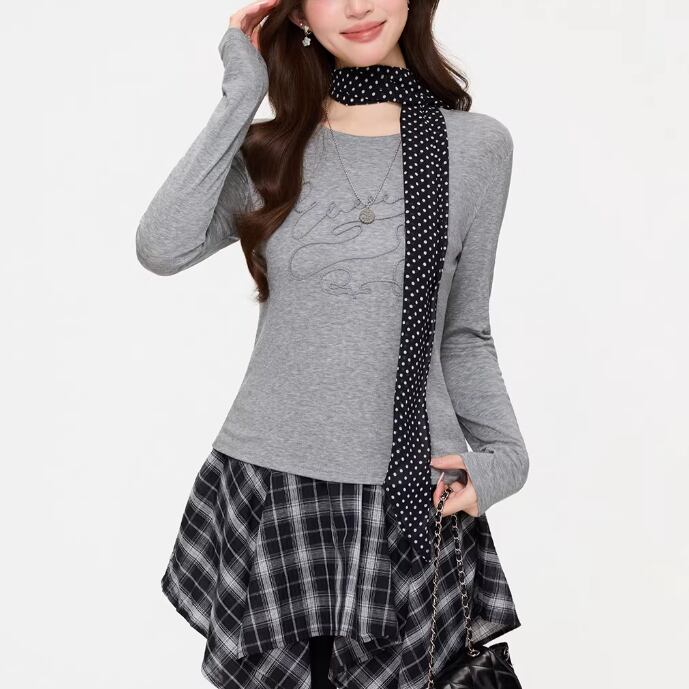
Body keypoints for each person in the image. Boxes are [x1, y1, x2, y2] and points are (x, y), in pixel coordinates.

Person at [136, 2, 530, 688]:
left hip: (408, 490)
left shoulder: (476, 147)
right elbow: (161, 247)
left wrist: (505, 458)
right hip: (273, 487)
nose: (356, 6)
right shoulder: (273, 147)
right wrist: (241, 94)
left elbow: (463, 330)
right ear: (296, 14)